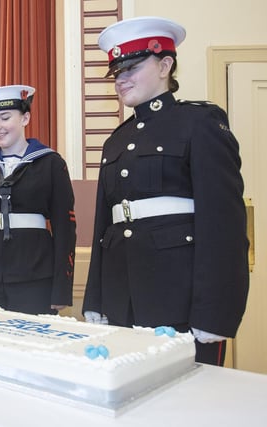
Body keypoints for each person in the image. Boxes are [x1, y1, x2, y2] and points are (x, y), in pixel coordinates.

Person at [82, 17, 249, 366]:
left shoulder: (199, 123)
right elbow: (105, 228)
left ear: (165, 65)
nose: (121, 79)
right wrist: (95, 299)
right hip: (122, 301)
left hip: (180, 302)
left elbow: (223, 227)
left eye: (131, 67)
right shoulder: (116, 140)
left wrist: (214, 312)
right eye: (116, 72)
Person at [0, 85, 76, 315]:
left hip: (34, 273)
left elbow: (65, 228)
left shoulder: (51, 163)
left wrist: (62, 288)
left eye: (5, 117)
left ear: (25, 118)